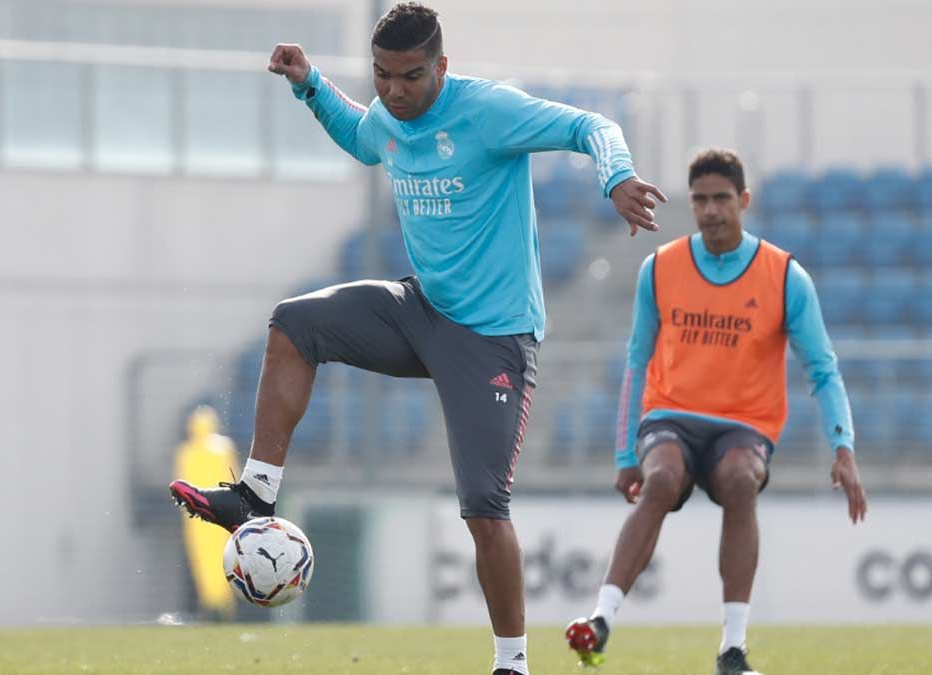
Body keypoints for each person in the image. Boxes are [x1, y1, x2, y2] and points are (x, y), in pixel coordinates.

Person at [168, 4, 665, 674]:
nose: (394, 91)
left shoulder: (487, 111)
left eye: (409, 76)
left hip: (493, 337)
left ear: (442, 67)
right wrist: (309, 83)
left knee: (484, 511)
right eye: (381, 76)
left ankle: (512, 663)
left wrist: (617, 175)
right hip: (422, 310)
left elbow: (590, 125)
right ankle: (256, 494)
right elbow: (362, 133)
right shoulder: (389, 116)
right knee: (295, 322)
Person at [564, 149, 867, 675]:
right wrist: (622, 452)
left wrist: (844, 447)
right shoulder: (659, 268)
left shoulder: (785, 276)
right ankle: (601, 619)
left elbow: (823, 368)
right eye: (700, 199)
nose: (710, 210)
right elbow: (636, 360)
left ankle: (732, 648)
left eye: (721, 199)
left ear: (744, 201)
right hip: (672, 414)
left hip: (744, 425)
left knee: (740, 480)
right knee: (661, 478)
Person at [172, 405, 239, 621]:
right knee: (222, 560)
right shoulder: (223, 447)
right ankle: (222, 608)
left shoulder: (186, 451)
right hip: (220, 515)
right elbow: (234, 481)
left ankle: (213, 607)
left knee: (205, 562)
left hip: (197, 518)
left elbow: (180, 487)